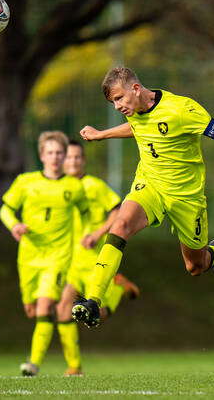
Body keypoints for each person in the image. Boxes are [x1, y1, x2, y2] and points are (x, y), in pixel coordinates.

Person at [72, 66, 214, 328]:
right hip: (150, 186)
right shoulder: (136, 110)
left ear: (136, 88)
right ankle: (93, 299)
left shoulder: (181, 109)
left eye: (119, 98)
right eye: (112, 101)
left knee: (195, 266)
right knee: (121, 225)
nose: (117, 106)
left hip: (186, 197)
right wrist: (101, 134)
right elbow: (138, 128)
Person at [0, 131, 89, 376]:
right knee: (32, 308)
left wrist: (89, 236)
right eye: (50, 152)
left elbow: (87, 215)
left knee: (45, 303)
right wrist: (14, 225)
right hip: (28, 256)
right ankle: (70, 364)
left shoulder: (74, 186)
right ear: (41, 155)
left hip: (58, 256)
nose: (55, 157)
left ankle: (33, 364)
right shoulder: (25, 182)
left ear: (64, 156)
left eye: (59, 153)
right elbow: (5, 210)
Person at [56, 140, 140, 375]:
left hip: (95, 258)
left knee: (95, 316)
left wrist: (97, 233)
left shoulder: (94, 185)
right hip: (73, 260)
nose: (72, 161)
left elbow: (117, 212)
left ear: (83, 160)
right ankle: (74, 366)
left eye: (77, 157)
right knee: (63, 309)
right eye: (69, 157)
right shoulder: (58, 187)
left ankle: (118, 290)